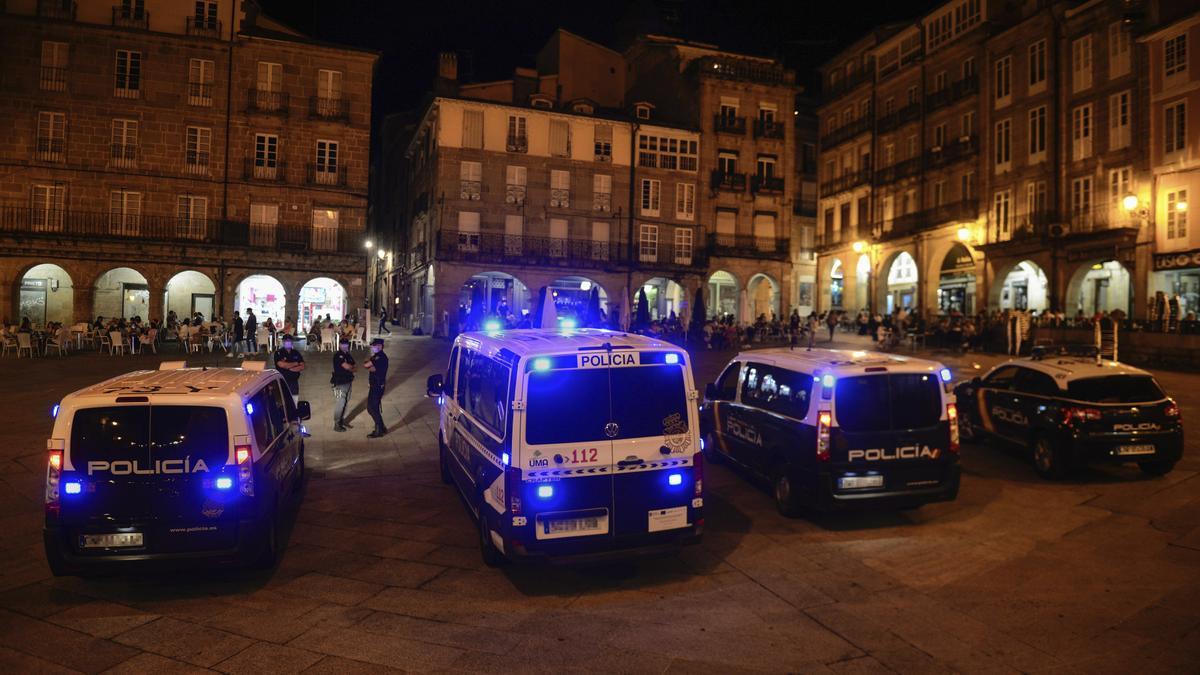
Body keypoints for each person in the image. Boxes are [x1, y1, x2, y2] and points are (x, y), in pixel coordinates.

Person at [363, 337, 389, 438]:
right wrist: (370, 366)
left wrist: (369, 365)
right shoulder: (377, 356)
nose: (372, 347)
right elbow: (369, 366)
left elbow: (366, 365)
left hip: (377, 386)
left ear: (380, 346)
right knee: (374, 408)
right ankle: (381, 427)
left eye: (374, 346)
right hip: (376, 385)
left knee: (371, 408)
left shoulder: (380, 357)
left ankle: (379, 431)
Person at [330, 337, 356, 432]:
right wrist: (350, 367)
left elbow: (355, 367)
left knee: (345, 402)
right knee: (340, 404)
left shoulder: (348, 355)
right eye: (343, 344)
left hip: (348, 382)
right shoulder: (338, 356)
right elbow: (347, 366)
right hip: (339, 384)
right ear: (340, 345)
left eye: (346, 344)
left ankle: (341, 421)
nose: (345, 346)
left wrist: (350, 367)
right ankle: (337, 424)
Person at [273, 334, 306, 405]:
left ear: (292, 342)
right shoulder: (278, 353)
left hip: (294, 381)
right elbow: (281, 365)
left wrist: (290, 368)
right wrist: (296, 363)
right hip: (282, 381)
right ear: (283, 342)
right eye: (286, 341)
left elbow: (302, 366)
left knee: (294, 401)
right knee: (282, 401)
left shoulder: (296, 353)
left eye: (290, 341)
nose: (288, 342)